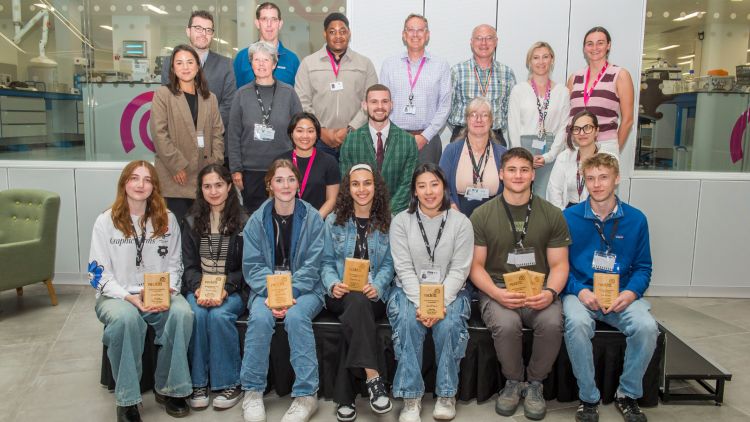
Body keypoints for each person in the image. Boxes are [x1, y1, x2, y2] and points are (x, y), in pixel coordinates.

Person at [469, 148, 570, 420]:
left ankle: (535, 384)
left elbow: (560, 265)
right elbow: (475, 266)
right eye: (511, 170)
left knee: (551, 322)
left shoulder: (552, 214)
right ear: (501, 174)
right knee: (507, 324)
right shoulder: (481, 214)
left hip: (539, 291)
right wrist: (496, 294)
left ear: (533, 175)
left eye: (524, 170)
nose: (518, 175)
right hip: (498, 289)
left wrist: (550, 293)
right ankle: (513, 382)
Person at [88, 160, 191, 422]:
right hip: (117, 296)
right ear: (124, 184)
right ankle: (127, 400)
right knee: (126, 319)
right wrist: (128, 297)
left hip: (158, 293)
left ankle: (172, 389)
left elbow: (175, 263)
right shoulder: (105, 221)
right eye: (134, 178)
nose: (140, 184)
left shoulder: (167, 220)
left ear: (154, 187)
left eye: (147, 180)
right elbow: (97, 273)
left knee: (182, 314)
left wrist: (170, 290)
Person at [562, 153, 657, 422]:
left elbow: (643, 268)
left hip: (622, 294)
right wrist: (579, 290)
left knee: (647, 327)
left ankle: (627, 394)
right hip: (581, 293)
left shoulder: (637, 219)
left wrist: (630, 294)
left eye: (603, 177)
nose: (597, 184)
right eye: (590, 178)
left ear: (616, 179)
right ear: (584, 181)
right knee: (577, 324)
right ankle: (588, 398)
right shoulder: (568, 217)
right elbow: (559, 268)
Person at [240, 159, 326, 422]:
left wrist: (290, 293)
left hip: (306, 288)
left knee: (297, 317)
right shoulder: (256, 220)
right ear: (269, 184)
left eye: (291, 179)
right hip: (266, 288)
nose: (285, 185)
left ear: (298, 183)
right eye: (279, 179)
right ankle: (252, 392)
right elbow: (252, 266)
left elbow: (314, 265)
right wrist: (275, 293)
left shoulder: (312, 217)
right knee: (260, 318)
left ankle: (306, 395)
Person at [388, 163, 474, 422]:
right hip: (409, 290)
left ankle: (447, 394)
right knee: (406, 321)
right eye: (422, 186)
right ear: (414, 191)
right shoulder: (401, 221)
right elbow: (403, 268)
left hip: (451, 291)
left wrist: (438, 304)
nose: (429, 192)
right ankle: (411, 397)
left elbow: (460, 270)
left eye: (434, 184)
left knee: (448, 324)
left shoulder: (461, 223)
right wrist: (423, 303)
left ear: (444, 187)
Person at [320, 163, 395, 421]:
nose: (362, 189)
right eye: (355, 184)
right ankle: (374, 378)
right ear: (347, 188)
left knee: (359, 306)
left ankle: (345, 397)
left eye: (367, 183)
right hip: (340, 294)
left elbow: (388, 264)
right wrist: (332, 284)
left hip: (374, 295)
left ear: (376, 187)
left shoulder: (387, 221)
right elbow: (326, 262)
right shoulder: (334, 221)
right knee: (354, 301)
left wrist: (379, 285)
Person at [181, 164, 249, 411]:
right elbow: (188, 266)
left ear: (229, 187)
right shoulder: (190, 221)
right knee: (196, 313)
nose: (213, 191)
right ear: (201, 189)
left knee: (220, 315)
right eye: (207, 186)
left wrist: (226, 289)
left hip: (232, 288)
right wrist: (198, 287)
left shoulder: (244, 221)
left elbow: (247, 268)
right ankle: (199, 383)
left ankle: (230, 383)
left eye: (219, 185)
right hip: (199, 288)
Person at [227, 41, 302, 215]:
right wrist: (236, 169)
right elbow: (233, 134)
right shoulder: (241, 94)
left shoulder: (289, 93)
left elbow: (299, 130)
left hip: (282, 169)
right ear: (251, 64)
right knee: (254, 219)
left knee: (283, 215)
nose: (261, 64)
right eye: (256, 60)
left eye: (266, 60)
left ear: (274, 64)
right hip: (250, 172)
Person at [152, 44, 224, 223]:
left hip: (203, 175)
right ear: (173, 68)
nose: (185, 67)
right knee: (175, 233)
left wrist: (214, 164)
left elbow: (217, 133)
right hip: (175, 176)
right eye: (179, 63)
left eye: (190, 62)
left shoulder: (210, 98)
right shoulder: (163, 95)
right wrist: (176, 165)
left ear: (197, 66)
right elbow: (159, 133)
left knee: (200, 235)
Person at [295, 12, 378, 160]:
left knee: (353, 182)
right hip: (318, 139)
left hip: (355, 137)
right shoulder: (308, 63)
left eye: (343, 31)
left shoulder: (364, 64)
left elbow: (371, 102)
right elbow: (302, 102)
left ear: (349, 33)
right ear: (325, 34)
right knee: (320, 182)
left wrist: (351, 129)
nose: (338, 36)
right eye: (332, 32)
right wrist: (320, 130)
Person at [380, 14, 451, 165]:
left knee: (427, 187)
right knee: (395, 186)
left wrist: (425, 136)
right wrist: (394, 135)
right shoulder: (389, 65)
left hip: (428, 140)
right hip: (395, 139)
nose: (415, 34)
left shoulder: (441, 65)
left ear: (427, 35)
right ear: (404, 35)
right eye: (411, 30)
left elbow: (445, 105)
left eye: (420, 30)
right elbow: (383, 104)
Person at [339, 84, 418, 214]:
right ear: (365, 105)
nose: (380, 107)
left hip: (396, 215)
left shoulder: (408, 141)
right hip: (360, 213)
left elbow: (408, 183)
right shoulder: (351, 141)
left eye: (385, 101)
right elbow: (346, 181)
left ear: (391, 105)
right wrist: (365, 211)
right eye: (374, 102)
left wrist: (387, 213)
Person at [508, 41, 570, 196]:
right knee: (521, 196)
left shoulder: (562, 92)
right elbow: (513, 126)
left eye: (545, 57)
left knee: (546, 197)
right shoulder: (519, 90)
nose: (541, 62)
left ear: (552, 60)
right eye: (536, 58)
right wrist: (521, 157)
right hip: (523, 150)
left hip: (550, 151)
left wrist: (549, 156)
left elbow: (564, 127)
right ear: (529, 62)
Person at [161, 10, 235, 138]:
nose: (203, 34)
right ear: (188, 31)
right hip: (179, 139)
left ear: (212, 34)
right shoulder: (170, 63)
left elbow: (228, 105)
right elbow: (167, 101)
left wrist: (206, 129)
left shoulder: (226, 65)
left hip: (213, 139)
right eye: (198, 28)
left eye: (208, 30)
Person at [567, 26, 634, 157]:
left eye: (600, 43)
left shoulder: (620, 75)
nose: (595, 48)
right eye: (590, 44)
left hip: (605, 146)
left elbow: (628, 120)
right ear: (584, 48)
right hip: (576, 146)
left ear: (608, 45)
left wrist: (613, 150)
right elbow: (567, 116)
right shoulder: (574, 77)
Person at [448, 24, 516, 146]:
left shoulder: (507, 73)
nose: (484, 43)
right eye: (479, 38)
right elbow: (447, 108)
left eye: (489, 38)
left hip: (495, 136)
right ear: (471, 42)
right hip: (462, 135)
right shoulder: (457, 71)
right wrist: (463, 129)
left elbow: (510, 110)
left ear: (496, 42)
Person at [439, 97, 506, 216]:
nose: (479, 119)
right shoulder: (451, 151)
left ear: (491, 121)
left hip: (493, 216)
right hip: (456, 214)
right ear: (467, 120)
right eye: (473, 114)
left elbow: (509, 189)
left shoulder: (503, 154)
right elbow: (441, 183)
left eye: (484, 115)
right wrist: (452, 208)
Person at [276, 112, 341, 218]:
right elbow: (274, 196)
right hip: (286, 221)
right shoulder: (280, 161)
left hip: (318, 222)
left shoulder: (329, 161)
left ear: (317, 134)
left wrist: (314, 221)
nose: (305, 136)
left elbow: (332, 199)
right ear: (292, 133)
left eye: (310, 131)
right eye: (299, 131)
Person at [234, 2, 300, 88]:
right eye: (264, 19)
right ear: (257, 23)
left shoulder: (292, 60)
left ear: (280, 24)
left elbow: (297, 98)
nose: (269, 24)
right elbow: (235, 96)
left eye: (274, 19)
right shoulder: (242, 57)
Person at [547, 110, 603, 210]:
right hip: (569, 213)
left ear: (597, 131)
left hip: (597, 213)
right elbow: (554, 191)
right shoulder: (564, 157)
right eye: (576, 129)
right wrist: (563, 217)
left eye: (587, 128)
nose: (582, 133)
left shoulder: (606, 159)